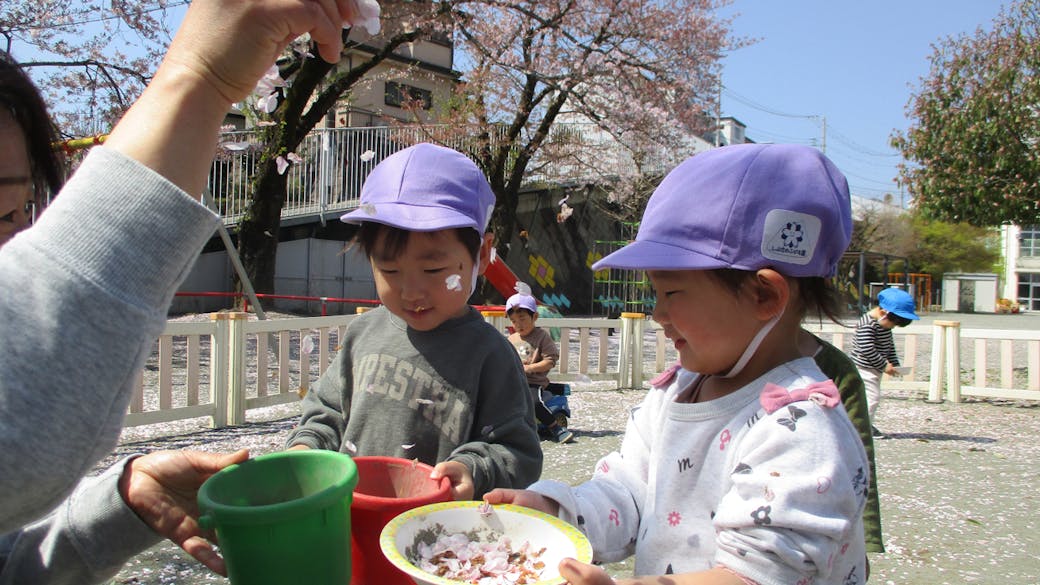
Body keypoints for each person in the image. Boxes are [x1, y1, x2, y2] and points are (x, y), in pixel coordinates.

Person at [0, 0, 363, 581]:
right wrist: (198, 79)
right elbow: (21, 432)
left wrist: (117, 504)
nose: (20, 242)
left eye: (19, 210)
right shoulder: (365, 332)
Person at [485, 144, 870, 585]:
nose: (657, 315)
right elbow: (627, 494)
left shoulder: (801, 429)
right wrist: (555, 511)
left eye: (671, 294)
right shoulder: (675, 392)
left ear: (765, 296)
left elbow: (758, 575)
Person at [284, 143, 542, 501]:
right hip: (349, 518)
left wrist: (474, 469)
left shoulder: (491, 354)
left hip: (435, 535)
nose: (410, 292)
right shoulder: (363, 334)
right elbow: (327, 411)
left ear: (482, 254)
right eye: (389, 270)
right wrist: (307, 446)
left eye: (433, 270)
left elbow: (520, 451)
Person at [798, 330, 885, 553]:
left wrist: (867, 534)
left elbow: (858, 457)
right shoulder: (701, 367)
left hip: (813, 534)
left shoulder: (833, 368)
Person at [506, 286, 574, 444]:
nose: (518, 324)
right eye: (514, 321)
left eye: (522, 319)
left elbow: (549, 360)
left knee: (533, 402)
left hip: (533, 382)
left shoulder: (542, 336)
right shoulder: (511, 339)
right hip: (515, 381)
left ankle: (556, 428)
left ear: (534, 316)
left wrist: (530, 368)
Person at [849, 287, 919, 438]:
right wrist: (884, 365)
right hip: (863, 368)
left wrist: (894, 362)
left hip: (874, 368)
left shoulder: (883, 325)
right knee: (871, 398)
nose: (892, 327)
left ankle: (862, 423)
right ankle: (862, 427)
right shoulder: (867, 324)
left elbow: (889, 345)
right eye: (893, 323)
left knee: (868, 397)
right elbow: (866, 348)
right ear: (883, 312)